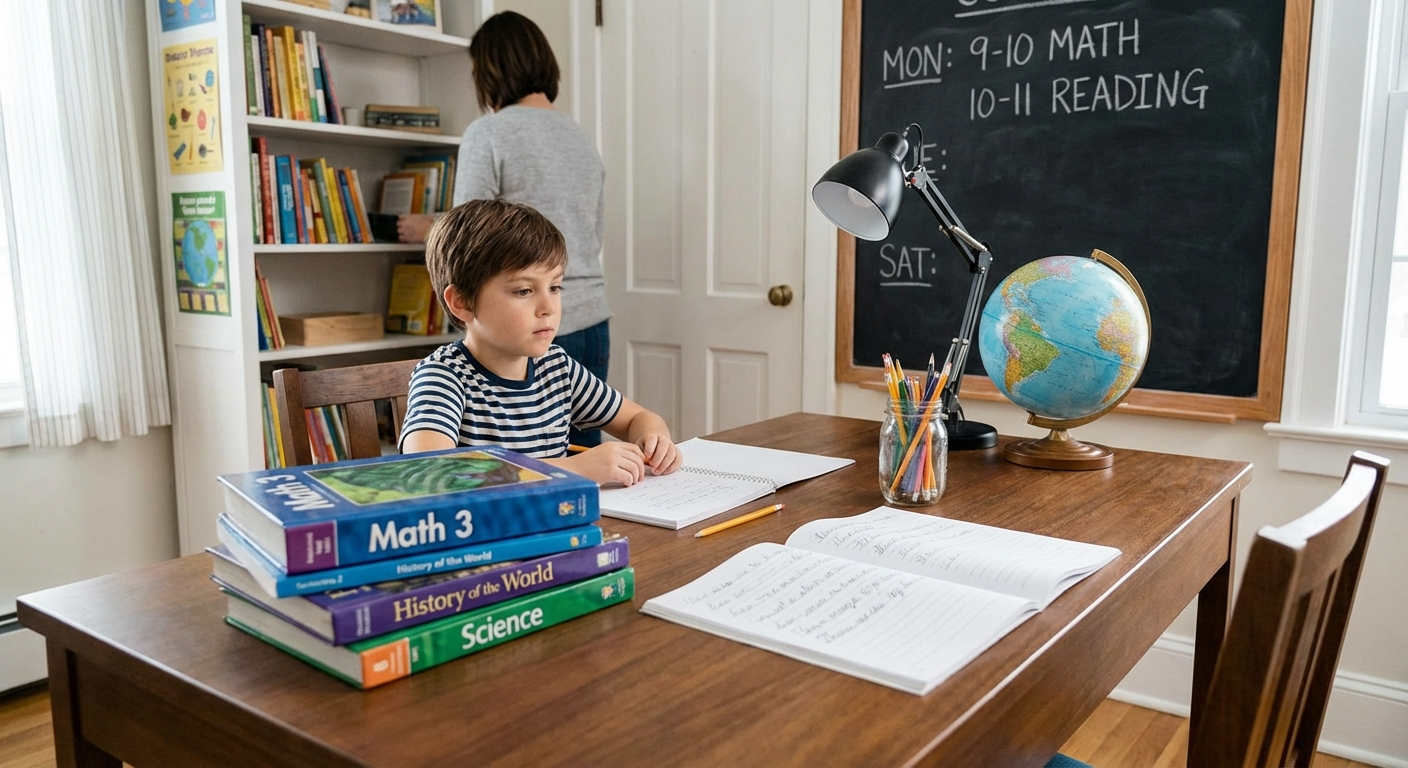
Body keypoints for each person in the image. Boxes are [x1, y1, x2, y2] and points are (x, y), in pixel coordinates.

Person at [398, 10, 613, 447]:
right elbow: (593, 231)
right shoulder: (579, 136)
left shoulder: (489, 132)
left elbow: (468, 231)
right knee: (583, 474)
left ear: (489, 72)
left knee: (554, 473)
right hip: (588, 314)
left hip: (522, 314)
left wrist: (426, 227)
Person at [398, 200, 680, 487]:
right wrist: (573, 468)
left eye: (555, 287)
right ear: (462, 302)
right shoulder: (443, 377)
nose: (549, 307)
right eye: (523, 290)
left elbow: (639, 418)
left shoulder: (557, 368)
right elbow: (429, 472)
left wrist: (654, 439)